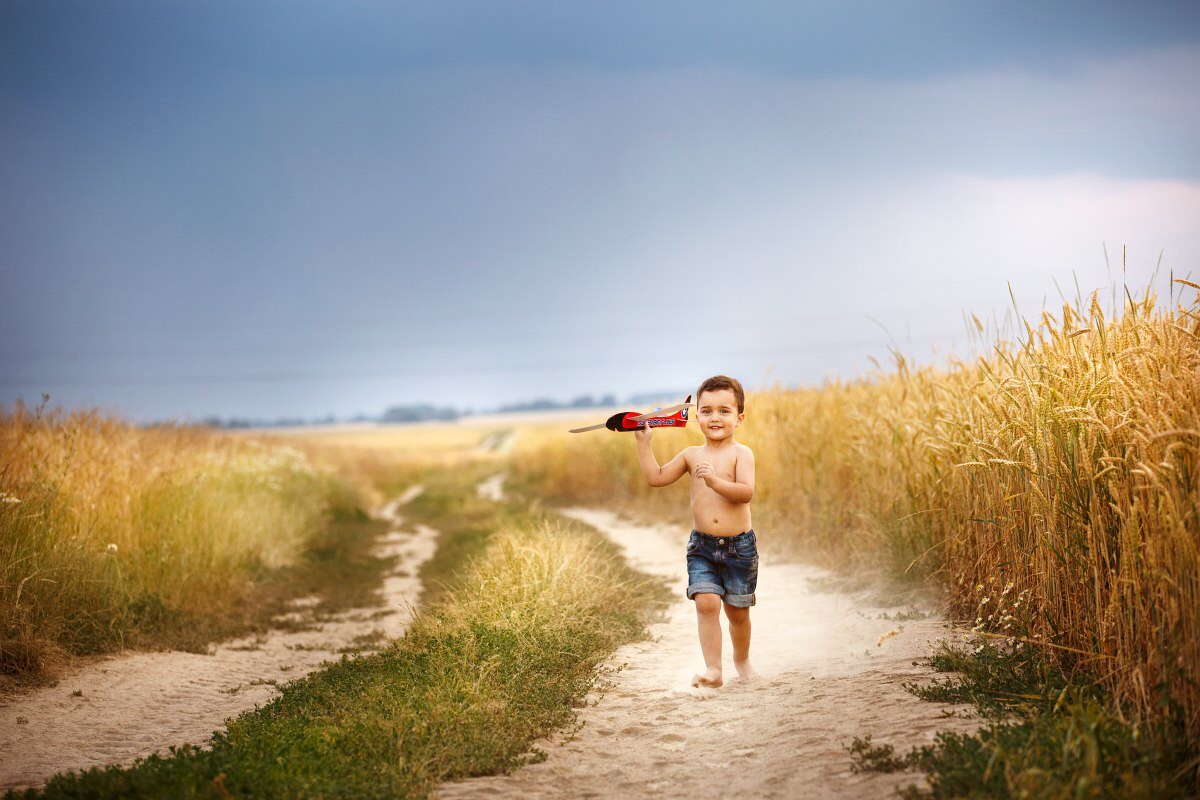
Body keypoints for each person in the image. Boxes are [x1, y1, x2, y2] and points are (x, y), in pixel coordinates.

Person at [633, 375, 758, 688]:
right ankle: (714, 670)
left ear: (739, 418)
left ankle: (742, 661)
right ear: (696, 415)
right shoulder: (691, 455)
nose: (715, 417)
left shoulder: (742, 454)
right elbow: (656, 478)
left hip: (739, 548)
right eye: (707, 411)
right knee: (706, 603)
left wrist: (715, 481)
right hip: (702, 547)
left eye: (724, 411)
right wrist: (643, 444)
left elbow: (745, 493)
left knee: (738, 613)